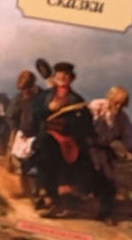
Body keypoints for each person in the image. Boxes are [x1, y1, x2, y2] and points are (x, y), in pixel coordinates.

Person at [32, 60, 114, 219]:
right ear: (54, 77)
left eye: (66, 75)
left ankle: (65, 198)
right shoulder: (44, 96)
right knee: (43, 152)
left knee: (78, 161)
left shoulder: (76, 100)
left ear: (72, 78)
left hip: (68, 138)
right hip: (47, 135)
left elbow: (85, 123)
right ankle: (50, 196)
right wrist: (47, 108)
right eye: (59, 75)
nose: (62, 78)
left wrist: (70, 124)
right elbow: (34, 113)